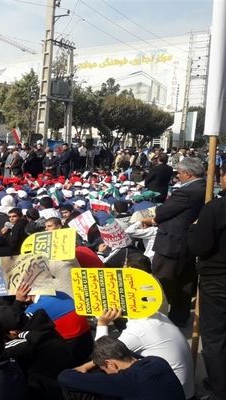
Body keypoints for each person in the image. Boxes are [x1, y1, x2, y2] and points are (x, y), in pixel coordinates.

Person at [145, 157, 205, 326]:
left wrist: (156, 216)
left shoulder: (187, 191)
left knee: (162, 281)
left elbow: (164, 212)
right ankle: (179, 317)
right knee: (185, 282)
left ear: (188, 173)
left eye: (179, 174)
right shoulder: (204, 188)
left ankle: (156, 317)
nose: (178, 177)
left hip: (172, 243)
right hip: (187, 242)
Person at [188, 161, 226, 400]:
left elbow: (199, 246)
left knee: (214, 337)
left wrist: (194, 230)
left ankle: (219, 388)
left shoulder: (215, 209)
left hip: (218, 282)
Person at [94, 308, 194, 399]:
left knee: (103, 373)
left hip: (171, 393)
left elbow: (103, 352)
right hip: (182, 389)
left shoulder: (136, 332)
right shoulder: (157, 315)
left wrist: (102, 324)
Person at [58, 336, 185, 400]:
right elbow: (131, 354)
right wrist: (98, 361)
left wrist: (87, 365)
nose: (106, 373)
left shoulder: (126, 381)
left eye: (105, 370)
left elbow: (64, 377)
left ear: (111, 364)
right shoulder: (157, 361)